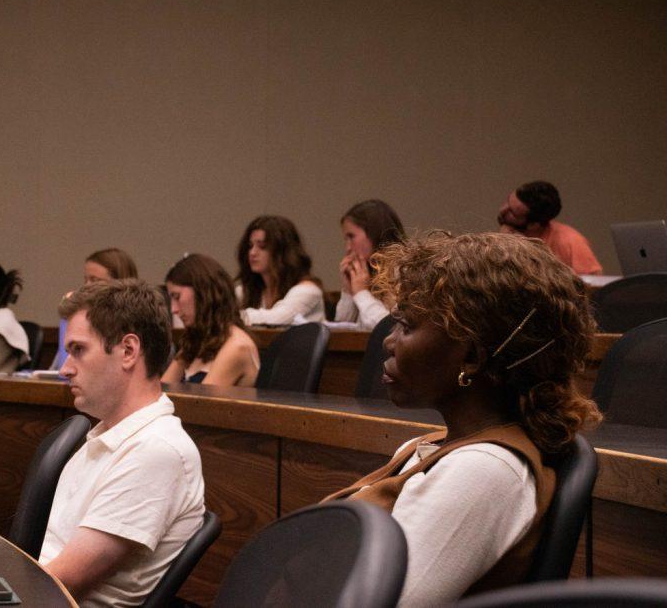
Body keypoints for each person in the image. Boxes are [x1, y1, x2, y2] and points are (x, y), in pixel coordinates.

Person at [320, 232, 602, 606]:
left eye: (407, 325)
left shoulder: (482, 471)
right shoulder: (428, 448)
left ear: (470, 357)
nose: (389, 342)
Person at [40, 280, 205, 606]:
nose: (64, 369)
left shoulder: (156, 450)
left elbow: (64, 581)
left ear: (128, 351)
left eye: (78, 350)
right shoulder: (111, 435)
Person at [161, 254, 259, 386]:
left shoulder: (237, 346)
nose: (173, 309)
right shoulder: (197, 341)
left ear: (202, 293)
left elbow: (200, 404)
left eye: (177, 297)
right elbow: (162, 392)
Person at [497, 180, 602, 275]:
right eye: (507, 201)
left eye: (512, 213)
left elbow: (593, 284)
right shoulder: (507, 236)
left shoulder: (570, 241)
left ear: (533, 225)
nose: (502, 210)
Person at [235, 215, 325, 325]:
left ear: (283, 252)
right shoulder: (246, 291)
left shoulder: (308, 290)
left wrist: (232, 316)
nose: (252, 253)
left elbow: (276, 318)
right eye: (250, 246)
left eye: (262, 247)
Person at [334, 199, 406, 331]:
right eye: (346, 239)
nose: (348, 248)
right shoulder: (367, 272)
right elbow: (342, 328)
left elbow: (389, 329)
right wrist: (348, 290)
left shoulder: (404, 270)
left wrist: (361, 292)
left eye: (351, 237)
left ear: (374, 233)